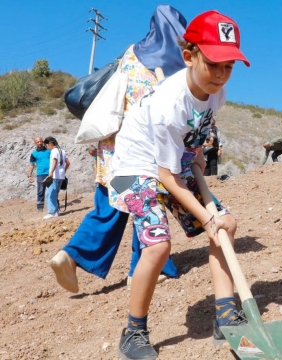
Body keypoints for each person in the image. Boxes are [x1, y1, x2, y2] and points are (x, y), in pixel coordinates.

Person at [106, 10, 250, 359]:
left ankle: (226, 316)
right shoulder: (170, 102)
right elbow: (166, 178)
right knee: (157, 244)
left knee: (226, 225)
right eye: (213, 63)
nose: (220, 74)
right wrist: (205, 218)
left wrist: (197, 151)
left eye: (229, 65)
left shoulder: (217, 91)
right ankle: (133, 331)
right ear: (189, 56)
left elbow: (197, 127)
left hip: (171, 163)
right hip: (132, 169)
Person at [49, 5, 184, 295]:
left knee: (107, 209)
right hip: (141, 156)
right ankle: (145, 269)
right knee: (147, 208)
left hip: (110, 152)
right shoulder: (166, 70)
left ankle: (70, 256)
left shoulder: (129, 55)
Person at [43, 137, 69, 219]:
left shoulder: (54, 151)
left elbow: (55, 161)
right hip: (61, 176)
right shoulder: (63, 151)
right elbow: (68, 163)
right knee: (54, 194)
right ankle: (56, 211)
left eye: (46, 145)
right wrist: (63, 171)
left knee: (49, 194)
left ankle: (52, 212)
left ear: (50, 143)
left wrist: (51, 172)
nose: (47, 148)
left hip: (54, 176)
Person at [27, 137, 51, 212]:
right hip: (40, 174)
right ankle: (40, 209)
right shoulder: (34, 153)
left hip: (50, 173)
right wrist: (29, 176)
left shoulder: (49, 151)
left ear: (43, 142)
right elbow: (31, 165)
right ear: (35, 143)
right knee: (40, 192)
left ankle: (54, 206)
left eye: (41, 141)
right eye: (38, 142)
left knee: (52, 191)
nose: (40, 143)